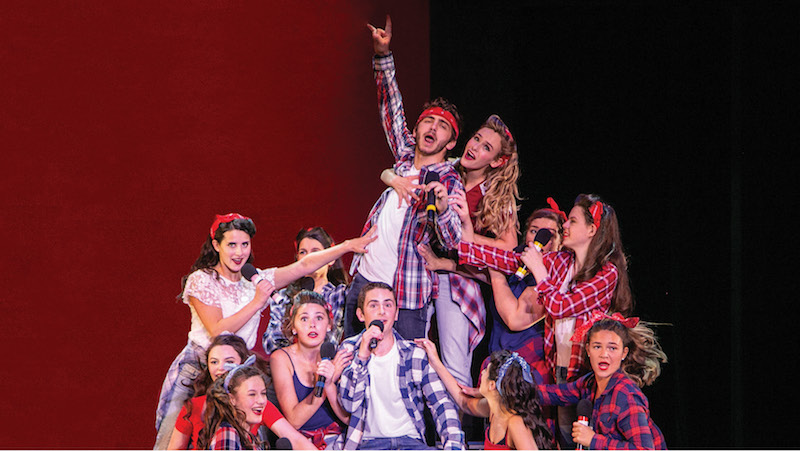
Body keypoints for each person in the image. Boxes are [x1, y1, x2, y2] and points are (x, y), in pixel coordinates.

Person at [154, 213, 376, 448]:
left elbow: (304, 265)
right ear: (216, 245)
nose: (239, 252)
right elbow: (219, 331)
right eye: (231, 245)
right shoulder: (202, 280)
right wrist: (258, 300)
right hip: (200, 366)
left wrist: (347, 246)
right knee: (170, 441)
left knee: (250, 440)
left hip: (241, 371)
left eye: (245, 244)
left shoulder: (256, 279)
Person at [458, 194, 632, 447]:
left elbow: (562, 307)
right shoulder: (562, 262)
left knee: (588, 440)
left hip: (589, 374)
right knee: (564, 438)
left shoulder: (606, 273)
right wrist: (461, 245)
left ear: (592, 230)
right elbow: (510, 261)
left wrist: (539, 271)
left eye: (573, 221)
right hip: (561, 368)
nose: (565, 225)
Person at [343, 16, 464, 341]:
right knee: (351, 358)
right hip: (366, 280)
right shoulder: (405, 155)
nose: (433, 128)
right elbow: (391, 107)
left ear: (451, 142)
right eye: (428, 121)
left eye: (442, 126)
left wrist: (442, 208)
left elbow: (454, 241)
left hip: (406, 293)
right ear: (417, 128)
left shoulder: (450, 180)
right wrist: (383, 55)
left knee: (406, 367)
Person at [386, 112, 520, 387]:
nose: (475, 147)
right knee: (411, 352)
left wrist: (465, 235)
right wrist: (390, 177)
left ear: (496, 161)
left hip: (457, 277)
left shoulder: (495, 194)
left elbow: (509, 247)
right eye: (476, 138)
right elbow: (402, 166)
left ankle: (457, 413)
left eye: (486, 147)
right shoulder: (447, 169)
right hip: (420, 270)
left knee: (453, 365)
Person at [334, 282, 465, 450]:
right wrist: (362, 356)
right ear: (361, 314)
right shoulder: (349, 350)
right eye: (373, 305)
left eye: (388, 305)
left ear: (396, 313)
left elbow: (441, 404)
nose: (381, 311)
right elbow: (349, 404)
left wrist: (453, 445)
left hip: (410, 443)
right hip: (369, 444)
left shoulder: (414, 354)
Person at [538, 311, 667, 449]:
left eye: (612, 348)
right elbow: (557, 393)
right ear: (588, 350)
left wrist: (593, 440)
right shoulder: (589, 383)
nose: (604, 354)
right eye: (597, 347)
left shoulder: (626, 396)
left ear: (624, 353)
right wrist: (523, 389)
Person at [416, 342, 554, 450]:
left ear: (492, 385)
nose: (481, 373)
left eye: (485, 371)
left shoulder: (515, 423)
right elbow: (464, 402)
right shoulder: (493, 409)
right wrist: (435, 361)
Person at [271, 291, 353, 449]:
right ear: (293, 327)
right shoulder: (280, 358)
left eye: (319, 318)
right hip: (302, 442)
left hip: (339, 439)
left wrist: (330, 384)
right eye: (304, 319)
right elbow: (295, 421)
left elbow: (349, 418)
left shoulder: (340, 357)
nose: (312, 325)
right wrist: (327, 380)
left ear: (329, 325)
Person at [263, 226, 351, 354]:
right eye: (303, 252)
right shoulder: (283, 296)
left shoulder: (340, 294)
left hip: (326, 362)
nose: (309, 258)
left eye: (315, 251)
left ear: (331, 258)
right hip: (289, 362)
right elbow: (270, 343)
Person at [198, 356, 318, 450]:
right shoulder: (227, 434)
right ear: (232, 399)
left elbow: (296, 440)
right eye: (252, 394)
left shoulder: (249, 436)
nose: (261, 400)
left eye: (263, 393)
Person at [168, 334, 250, 450]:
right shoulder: (194, 406)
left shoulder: (256, 402)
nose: (221, 367)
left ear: (243, 364)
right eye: (214, 362)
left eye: (229, 361)